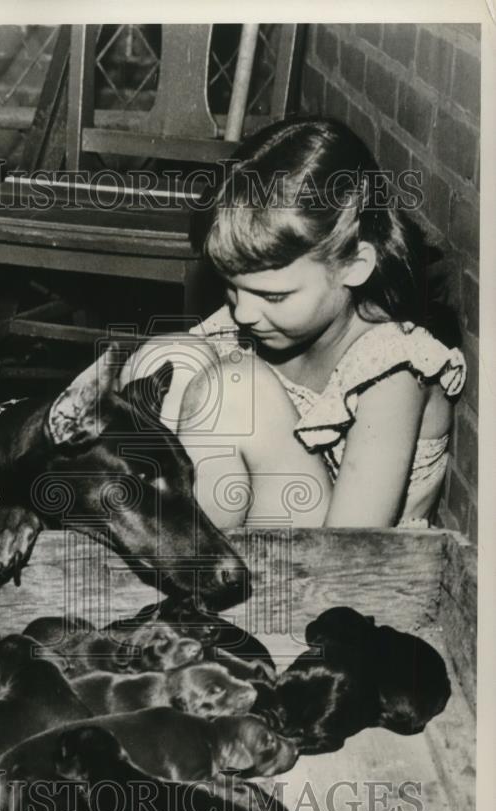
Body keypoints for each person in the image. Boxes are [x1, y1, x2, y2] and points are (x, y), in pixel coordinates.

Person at [122, 117, 466, 529]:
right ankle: (160, 545)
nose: (244, 313)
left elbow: (351, 550)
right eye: (232, 288)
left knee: (235, 389)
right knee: (168, 358)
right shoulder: (266, 324)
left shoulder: (392, 372)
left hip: (342, 571)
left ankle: (184, 560)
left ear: (354, 267)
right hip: (263, 544)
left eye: (273, 296)